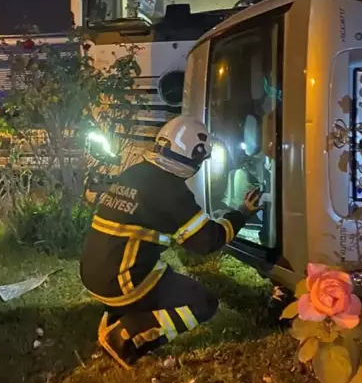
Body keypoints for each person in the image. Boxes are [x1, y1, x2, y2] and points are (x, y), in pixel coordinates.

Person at [80, 116, 263, 369]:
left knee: (160, 274)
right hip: (123, 282)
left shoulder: (135, 172)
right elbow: (208, 241)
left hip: (93, 274)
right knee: (203, 303)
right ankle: (124, 336)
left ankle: (114, 317)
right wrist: (242, 212)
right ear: (194, 156)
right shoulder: (171, 191)